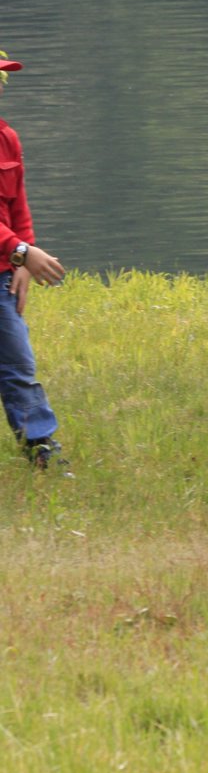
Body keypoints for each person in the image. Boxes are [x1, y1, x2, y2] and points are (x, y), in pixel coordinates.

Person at [0, 54, 68, 469]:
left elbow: (17, 206)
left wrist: (22, 257)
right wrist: (21, 251)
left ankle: (41, 447)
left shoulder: (7, 138)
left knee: (18, 363)